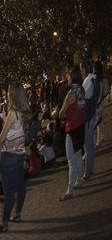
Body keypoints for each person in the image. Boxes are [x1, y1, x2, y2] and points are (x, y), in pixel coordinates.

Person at [0, 84, 31, 234]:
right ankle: (18, 214)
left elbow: (3, 136)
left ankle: (4, 224)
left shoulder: (13, 113)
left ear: (12, 95)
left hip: (9, 156)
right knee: (20, 187)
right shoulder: (25, 112)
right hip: (20, 154)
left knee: (8, 192)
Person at [58, 66, 86, 201]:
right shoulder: (81, 89)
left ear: (72, 77)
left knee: (71, 160)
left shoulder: (70, 94)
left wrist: (61, 109)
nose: (67, 79)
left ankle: (70, 190)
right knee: (78, 155)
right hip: (81, 125)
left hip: (72, 127)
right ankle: (79, 179)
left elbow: (61, 113)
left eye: (68, 76)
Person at [81, 61, 99, 181]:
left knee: (88, 145)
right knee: (89, 144)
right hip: (91, 113)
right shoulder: (92, 79)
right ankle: (90, 169)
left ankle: (88, 172)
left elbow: (80, 95)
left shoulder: (88, 81)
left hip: (87, 115)